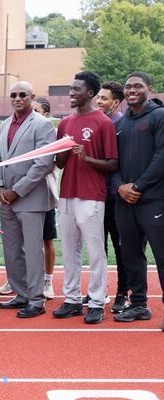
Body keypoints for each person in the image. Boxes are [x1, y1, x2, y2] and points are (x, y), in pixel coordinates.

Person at [52, 71, 118, 325]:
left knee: (95, 251)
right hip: (67, 192)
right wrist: (62, 151)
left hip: (92, 194)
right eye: (70, 89)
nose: (71, 93)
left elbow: (112, 163)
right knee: (69, 250)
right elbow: (59, 163)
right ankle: (71, 299)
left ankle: (97, 301)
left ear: (90, 93)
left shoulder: (103, 123)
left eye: (76, 89)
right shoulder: (64, 123)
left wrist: (86, 157)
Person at [0, 81, 56, 319]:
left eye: (22, 95)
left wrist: (16, 190)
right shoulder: (5, 124)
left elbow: (43, 164)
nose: (17, 98)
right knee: (11, 250)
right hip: (6, 199)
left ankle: (37, 299)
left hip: (30, 198)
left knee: (32, 250)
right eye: (13, 95)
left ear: (32, 96)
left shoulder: (42, 125)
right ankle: (20, 294)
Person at [111, 72, 164, 329]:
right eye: (128, 86)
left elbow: (162, 156)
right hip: (125, 201)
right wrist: (120, 187)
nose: (132, 90)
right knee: (131, 254)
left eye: (137, 86)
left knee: (162, 256)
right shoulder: (119, 124)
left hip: (153, 199)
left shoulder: (159, 116)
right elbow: (112, 162)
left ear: (149, 89)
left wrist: (139, 186)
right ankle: (139, 304)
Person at [95, 80, 128, 313]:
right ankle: (100, 291)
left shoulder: (123, 125)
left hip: (117, 199)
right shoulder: (98, 124)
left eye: (104, 98)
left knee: (121, 248)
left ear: (116, 103)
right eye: (97, 97)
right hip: (96, 197)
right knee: (99, 247)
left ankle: (122, 293)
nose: (98, 101)